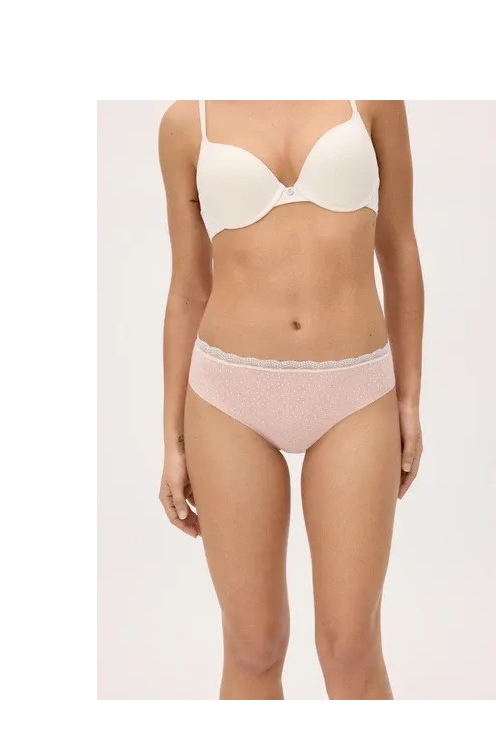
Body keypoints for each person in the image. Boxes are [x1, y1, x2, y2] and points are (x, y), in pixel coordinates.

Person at [157, 100, 424, 699]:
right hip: (228, 396)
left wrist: (408, 400)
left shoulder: (372, 99)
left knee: (350, 647)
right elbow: (188, 287)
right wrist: (172, 439)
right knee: (253, 646)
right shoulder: (186, 122)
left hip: (355, 391)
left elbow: (400, 251)